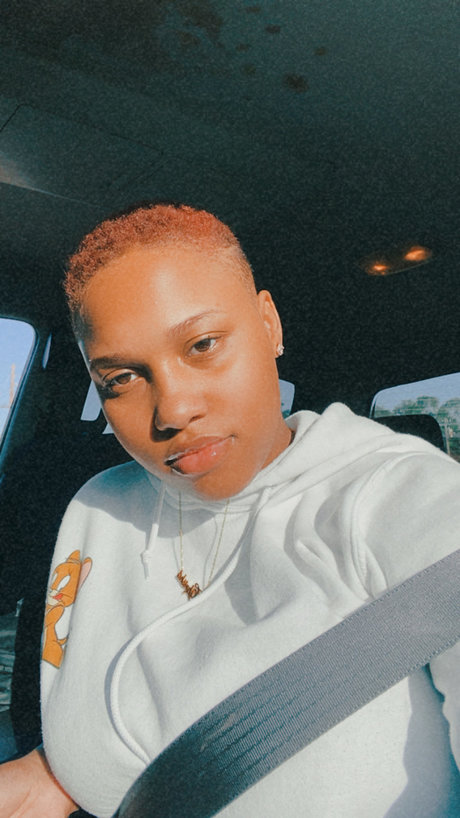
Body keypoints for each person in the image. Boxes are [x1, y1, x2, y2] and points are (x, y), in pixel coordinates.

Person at [0, 203, 459, 817]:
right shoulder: (99, 506)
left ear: (269, 324)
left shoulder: (403, 499)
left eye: (202, 345)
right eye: (122, 379)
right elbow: (94, 755)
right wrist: (55, 777)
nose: (173, 410)